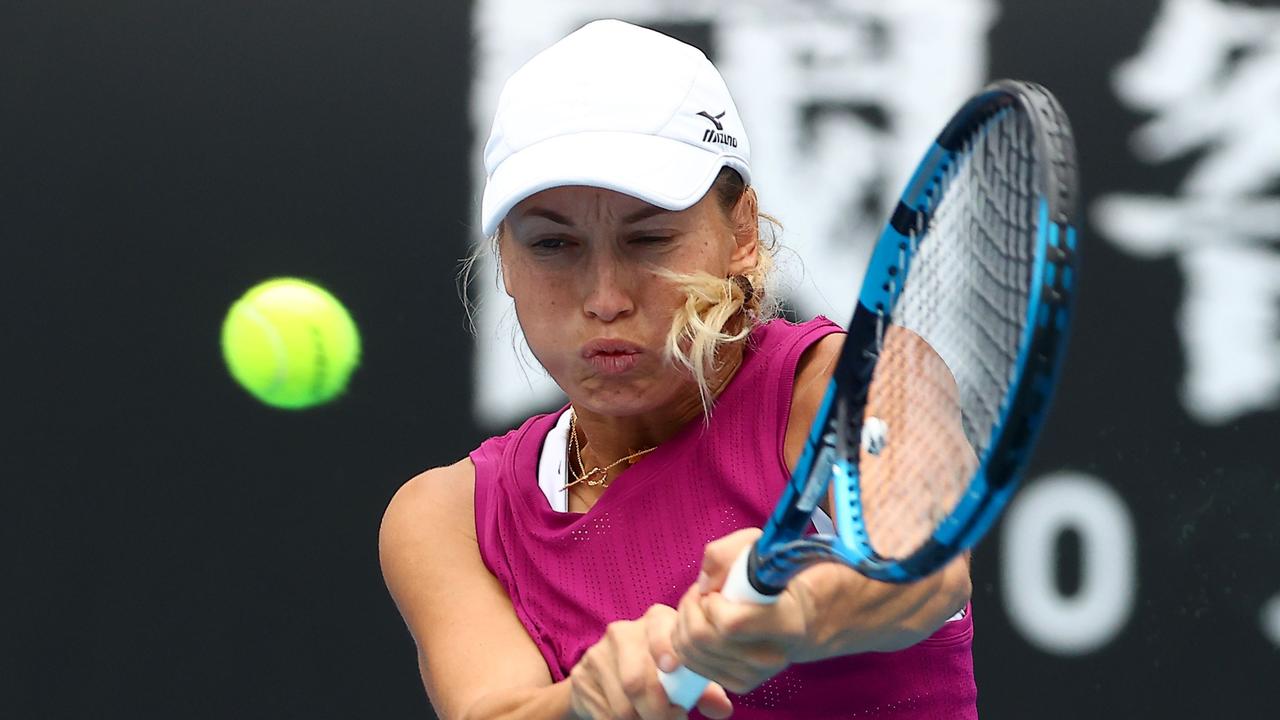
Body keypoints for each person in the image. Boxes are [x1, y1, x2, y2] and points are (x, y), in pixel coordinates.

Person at [380, 19, 976, 720]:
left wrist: (795, 612)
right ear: (505, 260)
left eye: (650, 238)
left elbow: (926, 574)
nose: (605, 298)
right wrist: (585, 701)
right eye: (552, 244)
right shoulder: (449, 517)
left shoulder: (851, 385)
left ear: (743, 234)